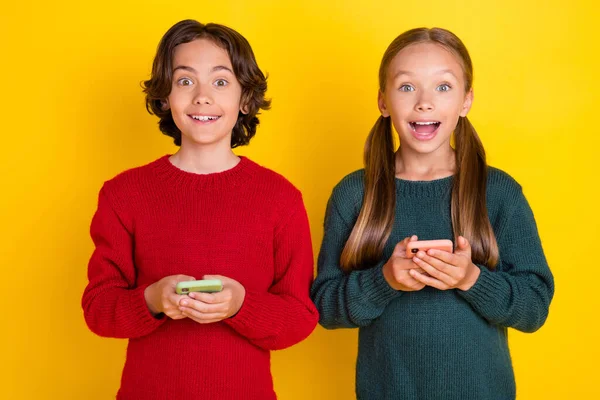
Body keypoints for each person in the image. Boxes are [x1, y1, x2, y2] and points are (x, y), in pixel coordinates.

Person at [310, 27, 554, 400]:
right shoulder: (354, 193)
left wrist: (473, 279)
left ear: (466, 101)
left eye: (443, 87)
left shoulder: (499, 191)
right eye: (407, 87)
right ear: (383, 101)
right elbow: (324, 307)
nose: (424, 102)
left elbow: (535, 306)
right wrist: (384, 280)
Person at [82, 19, 318, 400]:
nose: (202, 96)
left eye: (221, 81)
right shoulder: (123, 194)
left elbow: (300, 318)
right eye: (185, 81)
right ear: (164, 98)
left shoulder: (281, 198)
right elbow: (98, 309)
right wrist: (154, 299)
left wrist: (240, 304)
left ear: (245, 99)